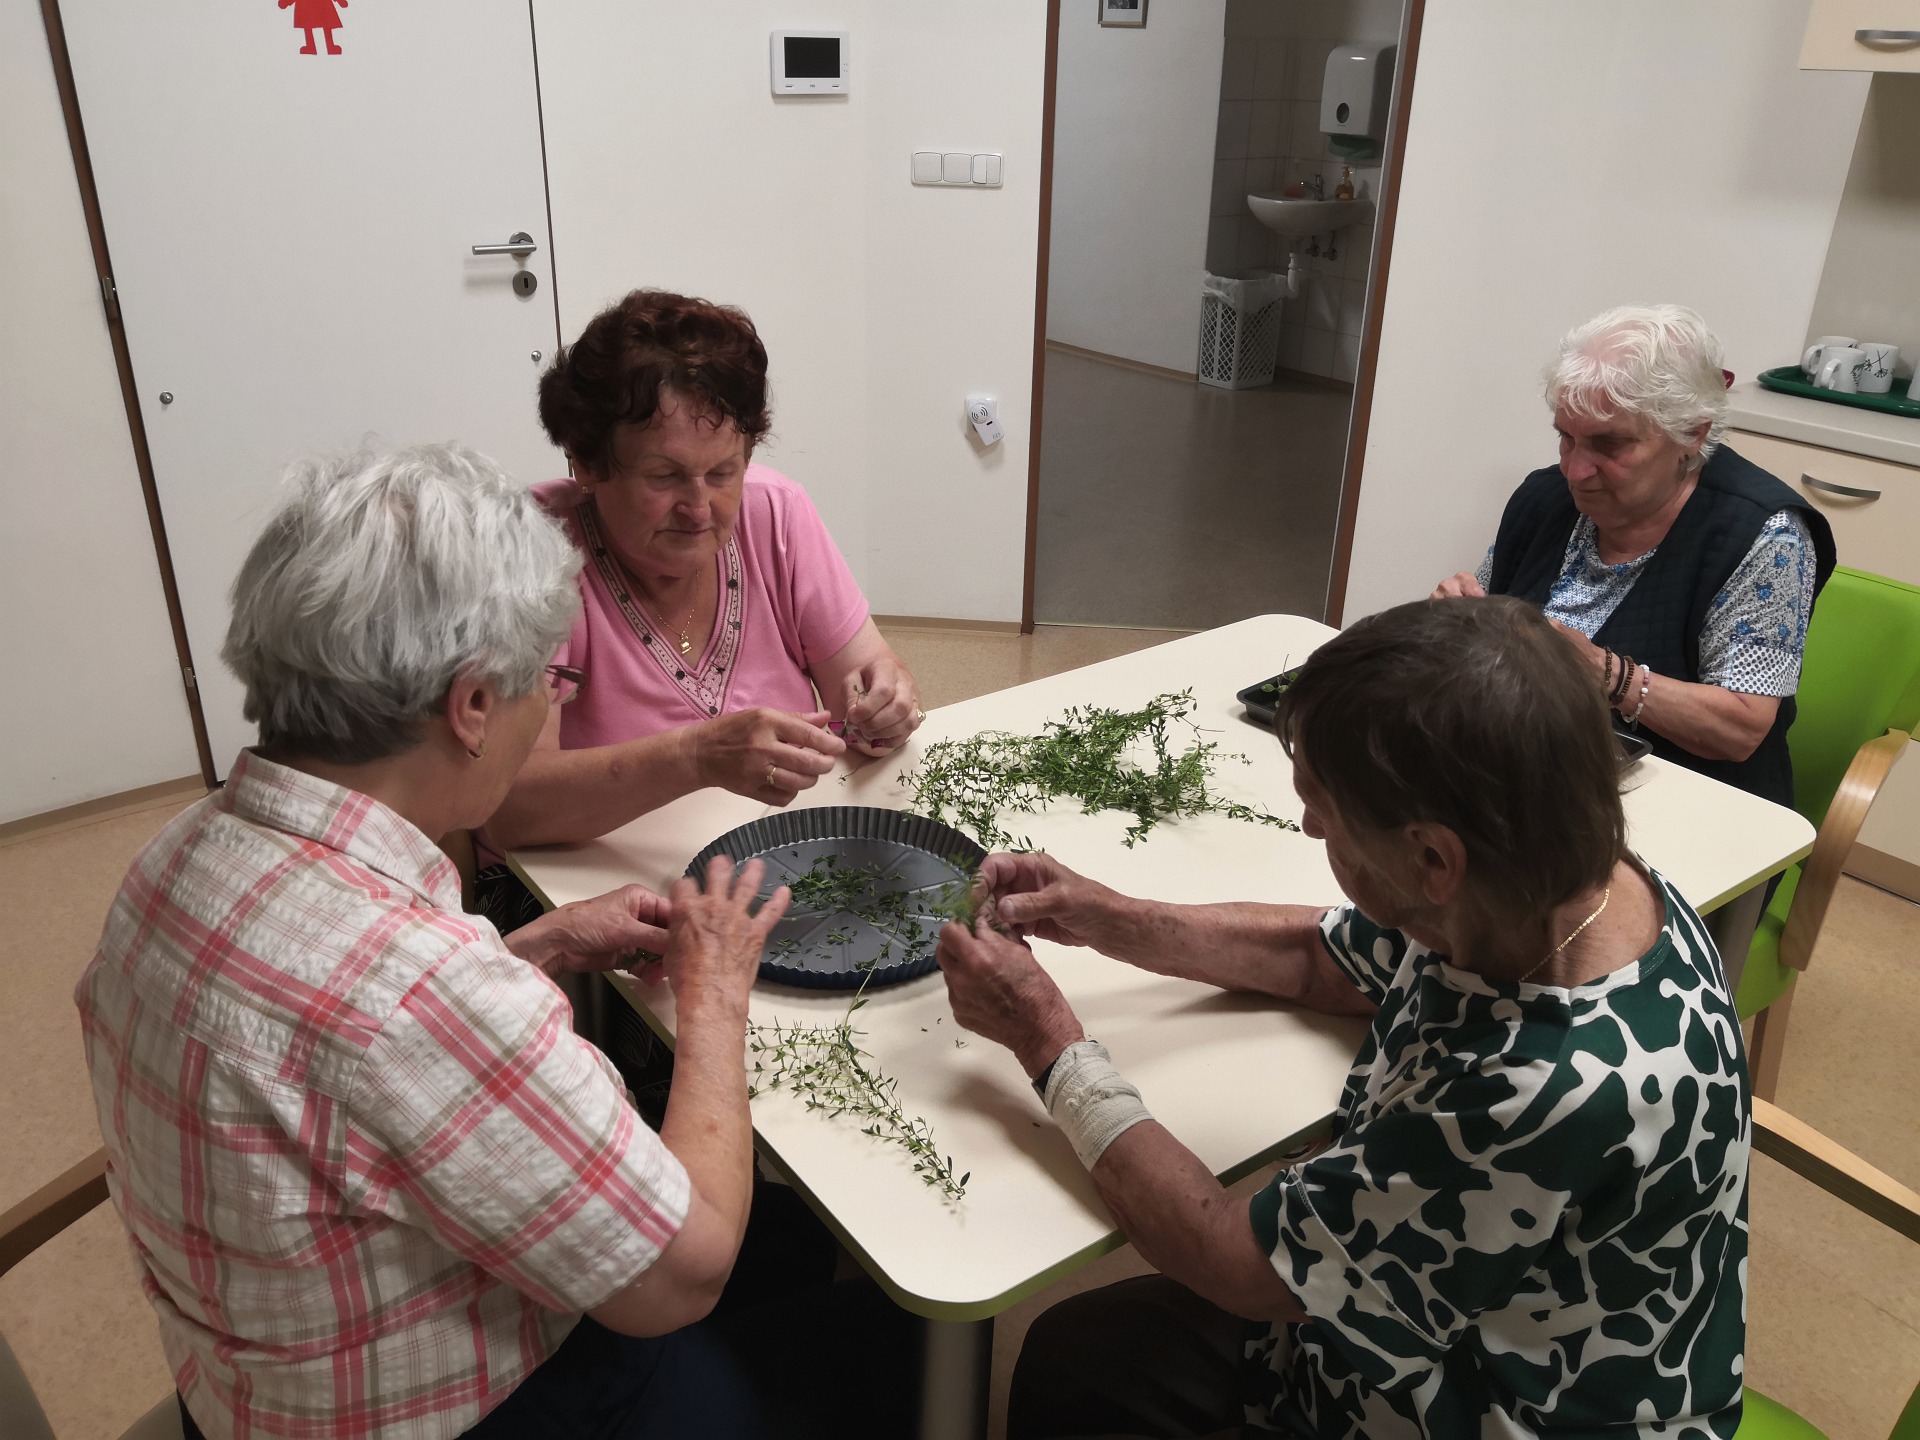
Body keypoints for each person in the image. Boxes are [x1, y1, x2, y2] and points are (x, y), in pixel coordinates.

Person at [76, 445, 916, 1440]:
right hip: (480, 1409)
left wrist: (536, 945)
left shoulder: (173, 855)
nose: (549, 707)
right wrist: (716, 990)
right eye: (547, 684)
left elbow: (339, 1059)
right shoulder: (426, 989)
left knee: (786, 1240)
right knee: (887, 1331)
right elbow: (680, 1278)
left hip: (252, 1384)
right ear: (472, 707)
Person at [936, 597, 1750, 1439]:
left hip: (1493, 1413)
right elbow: (1322, 957)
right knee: (1086, 1353)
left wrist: (1045, 1037)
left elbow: (1237, 1265)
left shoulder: (1537, 1091)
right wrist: (1110, 917)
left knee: (1080, 1367)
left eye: (1325, 814)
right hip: (1429, 1328)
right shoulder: (1558, 881)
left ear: (1432, 858)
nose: (1307, 824)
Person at [481, 289, 924, 868]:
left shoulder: (776, 513)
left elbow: (866, 680)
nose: (698, 508)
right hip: (590, 882)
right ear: (586, 463)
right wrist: (694, 757)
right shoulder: (532, 549)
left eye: (722, 472)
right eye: (664, 476)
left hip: (777, 860)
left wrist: (885, 705)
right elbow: (506, 806)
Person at [1431, 304, 1835, 808]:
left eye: (1610, 445)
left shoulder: (1765, 535)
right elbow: (1487, 630)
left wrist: (1603, 672)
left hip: (1692, 804)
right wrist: (1457, 619)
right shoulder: (1544, 499)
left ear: (1692, 434)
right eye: (1566, 437)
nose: (1575, 470)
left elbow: (1741, 727)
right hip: (1535, 776)